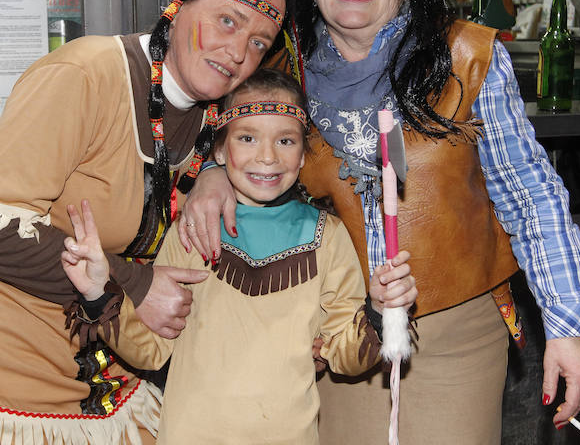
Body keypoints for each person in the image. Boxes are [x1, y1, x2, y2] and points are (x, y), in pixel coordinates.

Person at [180, 0, 580, 444]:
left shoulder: (468, 58)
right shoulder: (282, 71)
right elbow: (219, 134)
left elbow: (529, 192)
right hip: (335, 332)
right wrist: (213, 176)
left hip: (453, 337)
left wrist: (567, 326)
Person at [0, 0, 291, 444]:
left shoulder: (213, 113)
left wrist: (215, 173)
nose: (238, 52)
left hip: (106, 358)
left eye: (260, 42)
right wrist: (135, 283)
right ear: (179, 4)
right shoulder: (85, 75)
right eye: (227, 20)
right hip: (3, 353)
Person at [60, 68, 418, 444]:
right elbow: (150, 350)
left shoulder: (326, 238)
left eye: (285, 141)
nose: (267, 157)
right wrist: (100, 292)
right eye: (247, 138)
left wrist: (380, 311)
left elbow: (345, 354)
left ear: (302, 157)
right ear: (219, 150)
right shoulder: (193, 230)